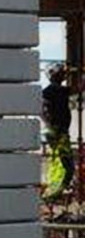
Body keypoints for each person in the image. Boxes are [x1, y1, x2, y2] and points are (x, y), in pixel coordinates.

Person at [43, 65, 74, 201]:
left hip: (55, 131)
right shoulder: (56, 90)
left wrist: (48, 124)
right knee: (67, 166)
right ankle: (52, 195)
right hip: (59, 132)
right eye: (61, 73)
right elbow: (77, 88)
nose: (64, 76)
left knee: (58, 164)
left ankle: (52, 194)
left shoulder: (48, 91)